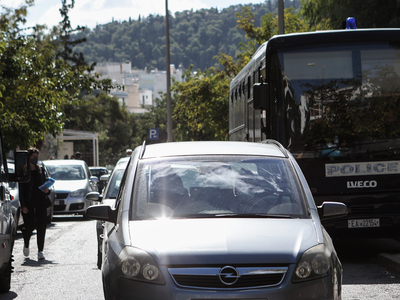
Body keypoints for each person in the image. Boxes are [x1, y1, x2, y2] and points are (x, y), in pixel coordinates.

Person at [19, 147, 50, 260]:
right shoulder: (24, 171)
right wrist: (23, 205)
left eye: (37, 157)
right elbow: (21, 190)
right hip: (29, 202)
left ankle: (40, 250)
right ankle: (26, 243)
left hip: (41, 201)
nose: (35, 159)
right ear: (29, 157)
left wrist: (47, 190)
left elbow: (46, 184)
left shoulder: (40, 170)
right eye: (33, 157)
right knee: (29, 226)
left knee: (41, 226)